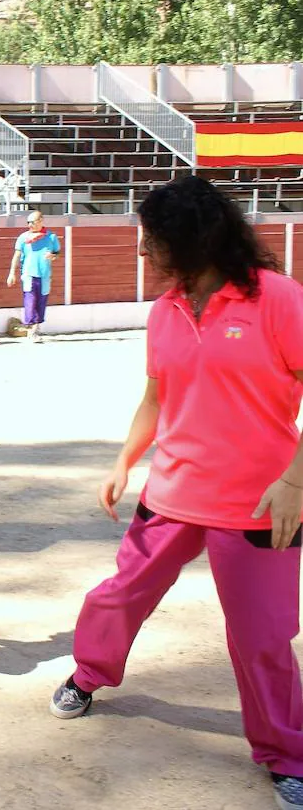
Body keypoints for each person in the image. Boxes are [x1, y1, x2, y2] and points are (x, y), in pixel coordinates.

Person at [48, 176, 303, 810]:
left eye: (152, 241)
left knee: (262, 637)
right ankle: (89, 673)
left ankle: (286, 753)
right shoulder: (164, 310)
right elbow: (157, 398)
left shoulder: (277, 299)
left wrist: (296, 480)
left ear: (191, 242)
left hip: (262, 501)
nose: (142, 252)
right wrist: (124, 461)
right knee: (119, 594)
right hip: (173, 492)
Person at [6, 210, 61, 342]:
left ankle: (35, 329)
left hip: (44, 275)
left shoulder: (51, 237)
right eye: (28, 222)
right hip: (28, 274)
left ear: (41, 221)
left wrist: (52, 256)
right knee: (30, 302)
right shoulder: (23, 237)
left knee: (41, 302)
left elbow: (57, 253)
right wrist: (11, 273)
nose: (30, 225)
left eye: (33, 222)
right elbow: (17, 256)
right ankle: (31, 330)